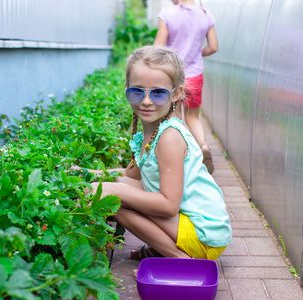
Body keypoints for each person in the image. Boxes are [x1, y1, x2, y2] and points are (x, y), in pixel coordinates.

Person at [75, 45, 231, 276]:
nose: (146, 101)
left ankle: (180, 259)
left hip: (203, 234)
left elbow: (169, 206)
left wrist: (111, 190)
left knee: (114, 201)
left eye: (158, 93)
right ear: (127, 90)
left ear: (176, 94)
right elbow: (131, 177)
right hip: (191, 224)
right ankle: (159, 249)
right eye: (137, 91)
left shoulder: (169, 137)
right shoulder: (149, 131)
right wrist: (85, 173)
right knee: (119, 190)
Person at [153, 0, 218, 174]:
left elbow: (158, 48)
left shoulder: (168, 14)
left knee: (174, 118)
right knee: (193, 118)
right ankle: (203, 147)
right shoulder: (206, 14)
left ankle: (177, 157)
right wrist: (197, 52)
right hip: (194, 74)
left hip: (172, 74)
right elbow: (213, 47)